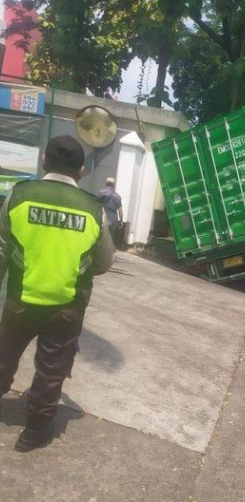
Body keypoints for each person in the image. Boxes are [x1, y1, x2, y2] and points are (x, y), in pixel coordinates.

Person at [0, 135, 115, 452]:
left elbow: (2, 248)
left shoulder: (19, 197)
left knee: (3, 357)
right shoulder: (93, 210)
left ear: (44, 161)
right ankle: (33, 433)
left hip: (20, 302)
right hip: (66, 309)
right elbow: (105, 262)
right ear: (80, 170)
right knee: (50, 373)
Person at [98, 177, 123, 247]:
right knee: (109, 236)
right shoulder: (117, 196)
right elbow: (120, 210)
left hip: (101, 217)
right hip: (113, 219)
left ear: (106, 183)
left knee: (100, 234)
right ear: (113, 185)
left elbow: (96, 204)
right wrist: (121, 220)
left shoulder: (100, 193)